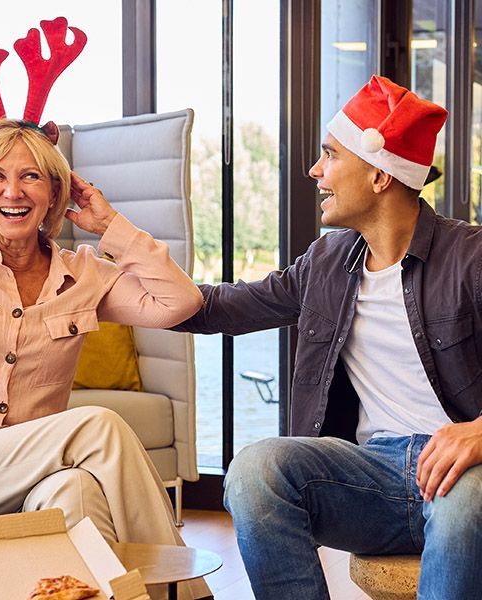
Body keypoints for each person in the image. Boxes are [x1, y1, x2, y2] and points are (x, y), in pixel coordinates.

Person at [0, 76, 211, 600]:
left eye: (31, 176)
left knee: (76, 490)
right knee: (97, 426)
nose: (12, 192)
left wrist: (111, 226)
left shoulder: (84, 275)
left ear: (55, 192)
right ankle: (187, 596)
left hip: (29, 484)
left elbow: (180, 303)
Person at [174, 75, 482, 599]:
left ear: (381, 175)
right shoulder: (327, 261)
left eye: (330, 155)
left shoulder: (471, 257)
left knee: (467, 494)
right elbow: (216, 306)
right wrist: (113, 237)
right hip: (371, 480)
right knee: (256, 471)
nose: (316, 171)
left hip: (466, 477)